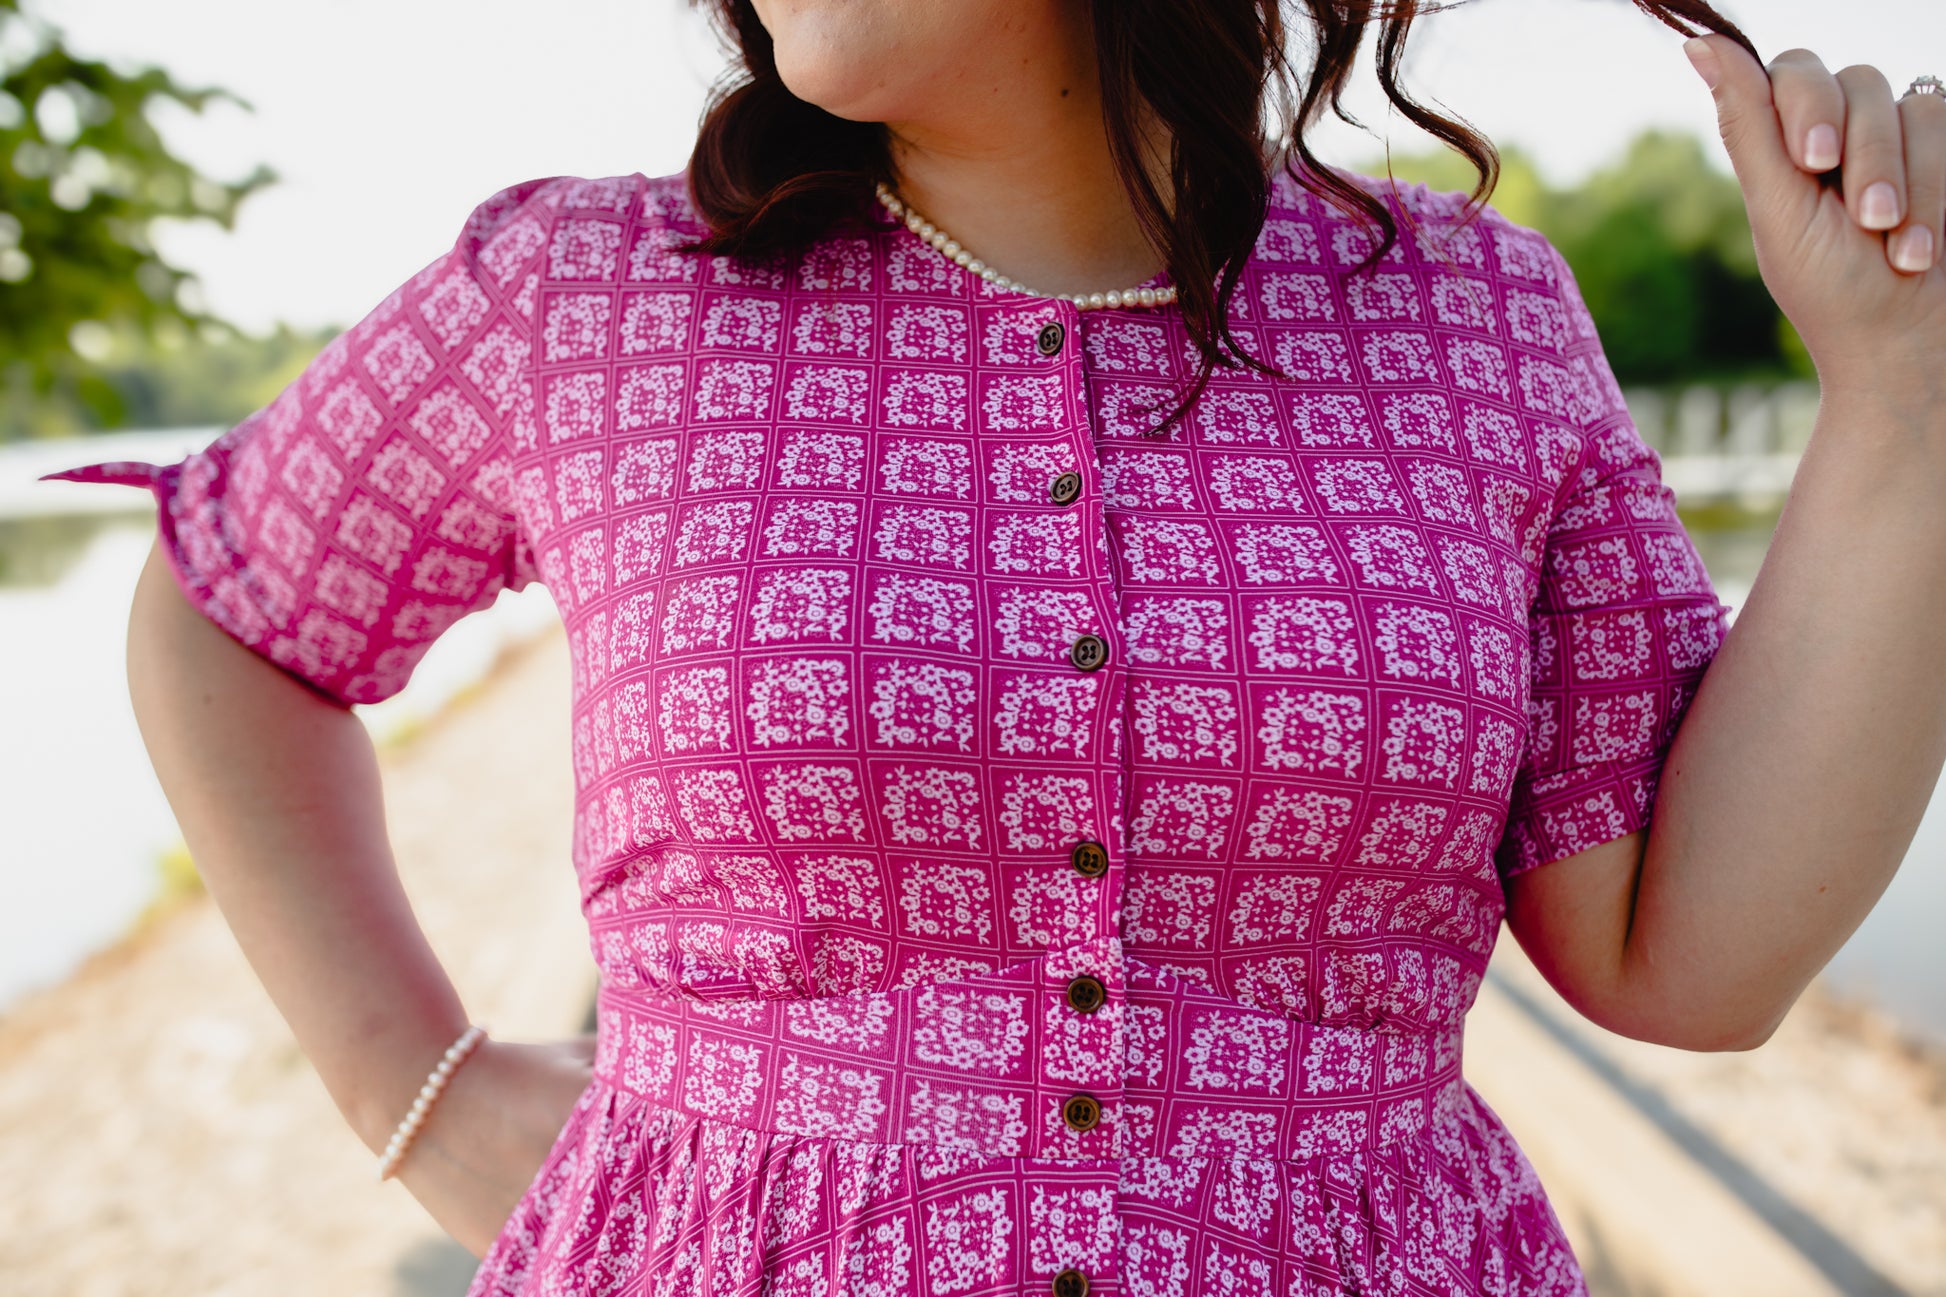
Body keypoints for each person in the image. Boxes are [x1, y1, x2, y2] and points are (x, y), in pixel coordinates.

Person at [40, 1, 1946, 1293]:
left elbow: (1681, 957)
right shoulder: (587, 295)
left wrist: (1899, 402)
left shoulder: (1476, 321)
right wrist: (415, 1086)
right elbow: (230, 611)